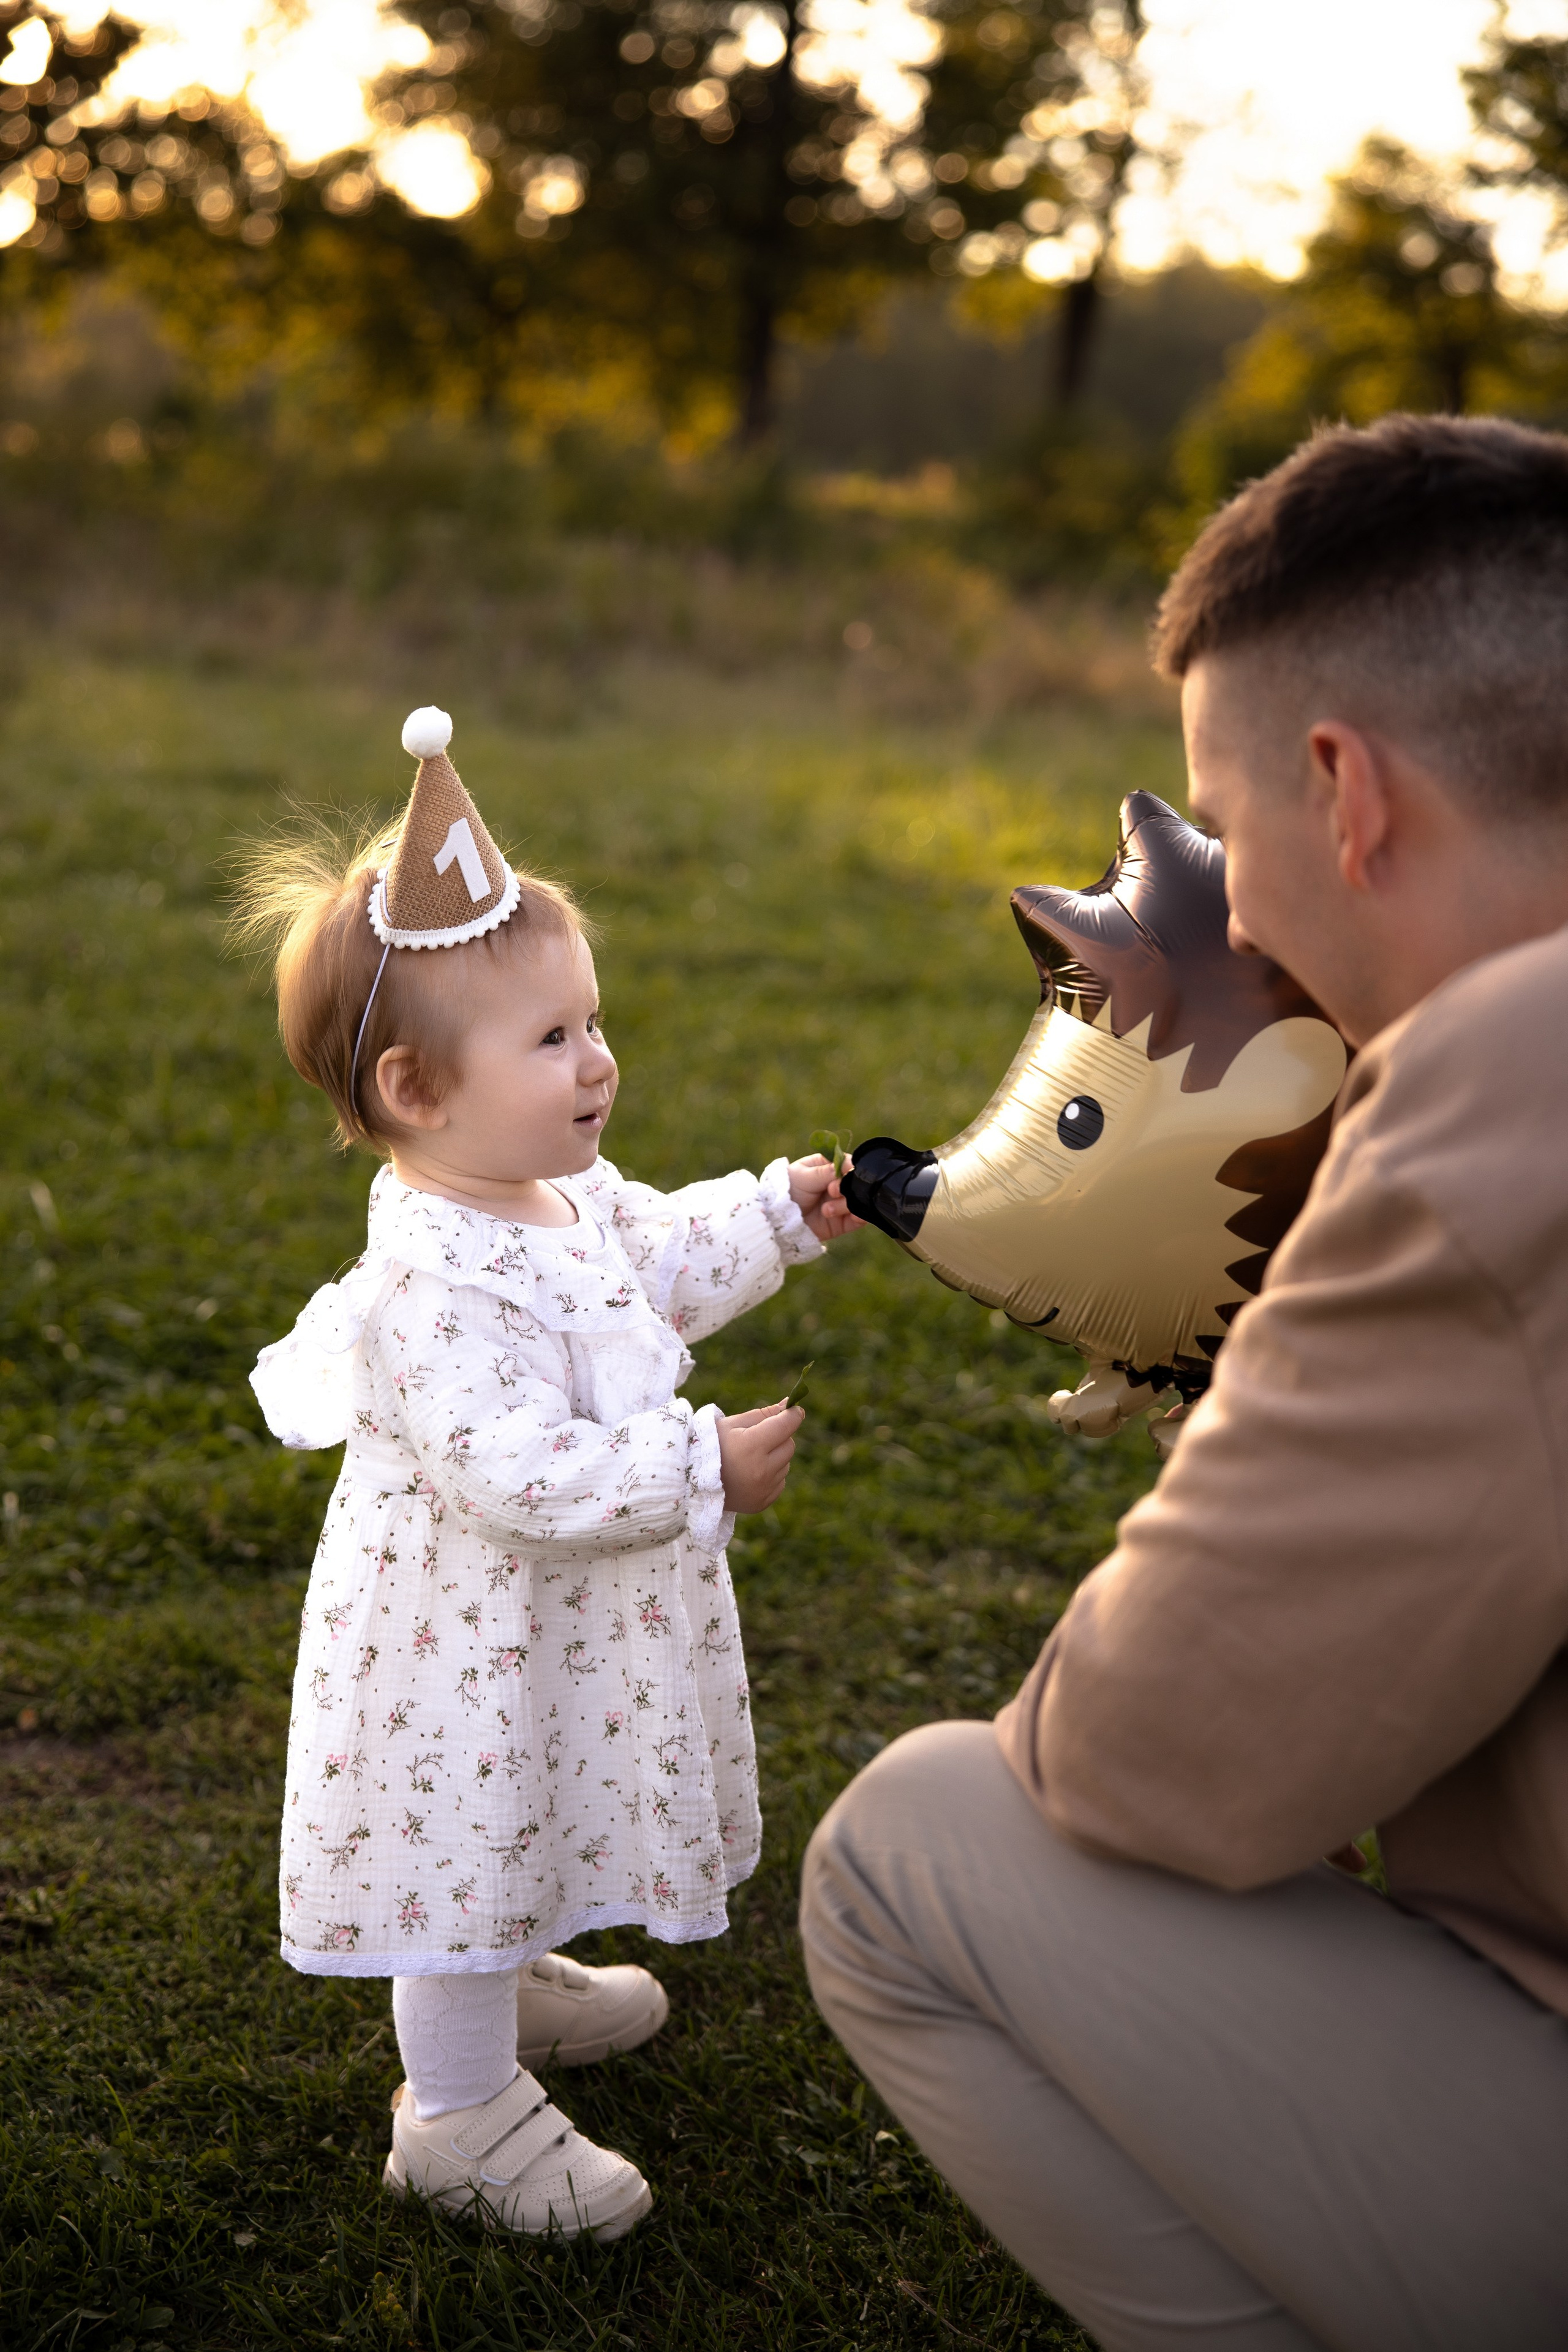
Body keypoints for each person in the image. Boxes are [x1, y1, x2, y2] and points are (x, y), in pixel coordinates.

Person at [800, 415, 1568, 2351]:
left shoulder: (1506, 1076)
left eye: (1232, 833)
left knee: (909, 1848)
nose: (1244, 930)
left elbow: (1160, 1759)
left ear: (1346, 794)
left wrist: (1262, 1341)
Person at [239, 707, 854, 2241]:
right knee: (465, 1823)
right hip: (466, 1637)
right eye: (554, 1039)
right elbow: (511, 1470)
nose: (600, 1060)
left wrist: (775, 1217)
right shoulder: (427, 1284)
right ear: (415, 1092)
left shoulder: (558, 1196)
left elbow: (649, 1256)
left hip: (543, 1633)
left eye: (590, 1022)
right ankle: (451, 2114)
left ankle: (509, 1974)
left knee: (522, 1798)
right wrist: (694, 1463)